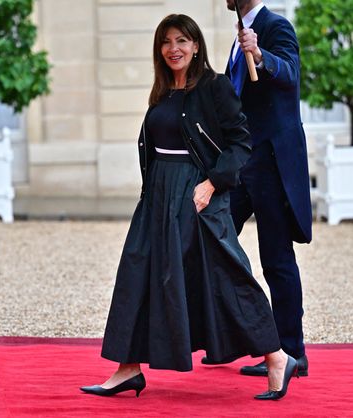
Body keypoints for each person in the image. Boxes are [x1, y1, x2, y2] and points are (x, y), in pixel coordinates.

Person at [80, 14, 298, 401]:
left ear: (196, 45)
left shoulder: (214, 88)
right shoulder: (163, 92)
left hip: (198, 196)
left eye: (182, 40)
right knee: (137, 272)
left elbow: (240, 143)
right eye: (166, 42)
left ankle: (278, 357)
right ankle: (127, 368)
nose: (174, 49)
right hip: (158, 196)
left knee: (227, 279)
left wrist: (213, 183)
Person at [210, 0, 313, 378]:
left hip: (269, 163)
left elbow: (289, 72)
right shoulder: (240, 33)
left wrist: (261, 54)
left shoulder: (274, 27)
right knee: (213, 241)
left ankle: (291, 354)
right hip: (240, 163)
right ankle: (224, 338)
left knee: (276, 260)